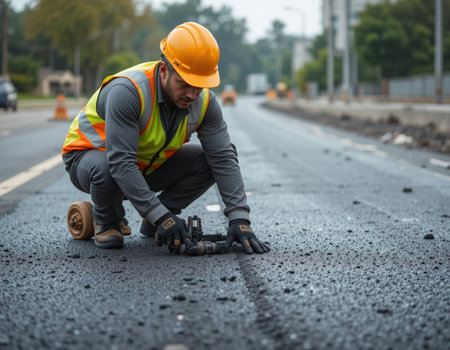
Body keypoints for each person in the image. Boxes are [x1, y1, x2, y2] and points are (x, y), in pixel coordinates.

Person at [62, 22, 269, 255]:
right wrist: (162, 216)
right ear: (163, 71)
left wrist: (239, 219)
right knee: (106, 169)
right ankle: (107, 220)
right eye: (184, 84)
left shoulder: (205, 103)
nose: (192, 94)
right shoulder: (128, 92)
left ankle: (157, 218)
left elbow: (222, 158)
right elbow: (120, 162)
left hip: (148, 165)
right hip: (89, 160)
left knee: (212, 159)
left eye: (199, 86)